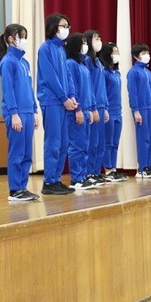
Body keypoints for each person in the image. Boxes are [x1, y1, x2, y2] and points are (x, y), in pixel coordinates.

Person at [0, 24, 40, 201]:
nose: (24, 40)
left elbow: (29, 89)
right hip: (16, 113)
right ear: (11, 39)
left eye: (25, 36)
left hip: (28, 112)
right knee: (17, 152)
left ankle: (23, 187)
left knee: (27, 153)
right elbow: (8, 90)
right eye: (20, 36)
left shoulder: (24, 62)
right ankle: (15, 189)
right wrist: (14, 114)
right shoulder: (8, 62)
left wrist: (35, 110)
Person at [36, 14, 78, 195]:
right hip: (52, 100)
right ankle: (48, 182)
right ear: (53, 27)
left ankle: (56, 179)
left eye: (68, 26)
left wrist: (71, 95)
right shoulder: (45, 49)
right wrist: (63, 98)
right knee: (53, 142)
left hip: (63, 101)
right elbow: (50, 76)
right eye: (63, 25)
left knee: (63, 142)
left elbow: (67, 76)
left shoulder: (61, 50)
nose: (66, 29)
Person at [126, 44, 151, 178]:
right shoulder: (133, 72)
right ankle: (142, 168)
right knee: (143, 139)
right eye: (143, 53)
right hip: (141, 109)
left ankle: (149, 166)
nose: (146, 55)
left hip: (149, 108)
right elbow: (132, 93)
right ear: (136, 56)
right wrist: (136, 111)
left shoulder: (149, 73)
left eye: (147, 53)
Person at [64, 33, 97, 190]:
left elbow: (89, 89)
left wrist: (91, 109)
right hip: (77, 111)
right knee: (77, 145)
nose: (85, 45)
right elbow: (72, 89)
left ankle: (83, 176)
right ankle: (76, 178)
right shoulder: (70, 64)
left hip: (86, 109)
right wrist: (77, 109)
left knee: (85, 145)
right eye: (82, 42)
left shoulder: (83, 65)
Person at [83, 30, 109, 185]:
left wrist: (105, 106)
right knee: (92, 142)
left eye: (99, 38)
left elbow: (102, 87)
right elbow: (89, 86)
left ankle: (96, 171)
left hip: (101, 104)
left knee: (100, 142)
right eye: (95, 39)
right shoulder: (87, 60)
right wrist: (92, 107)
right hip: (92, 105)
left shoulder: (99, 62)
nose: (98, 41)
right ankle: (89, 172)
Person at [99, 43, 127, 181]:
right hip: (109, 111)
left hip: (118, 111)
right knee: (108, 142)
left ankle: (114, 169)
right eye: (113, 52)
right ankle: (108, 170)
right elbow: (102, 92)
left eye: (117, 52)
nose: (116, 55)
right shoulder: (104, 73)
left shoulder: (117, 73)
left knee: (115, 143)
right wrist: (105, 108)